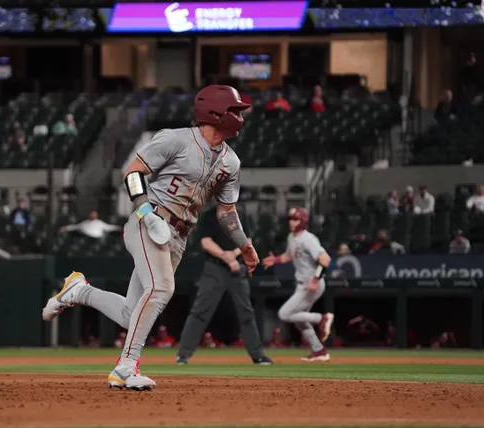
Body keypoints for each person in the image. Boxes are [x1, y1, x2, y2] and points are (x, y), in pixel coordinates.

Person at [41, 85, 259, 390]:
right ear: (215, 112)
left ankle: (78, 292)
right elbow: (132, 171)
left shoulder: (230, 162)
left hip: (180, 235)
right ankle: (125, 367)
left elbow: (226, 211)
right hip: (150, 221)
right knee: (161, 289)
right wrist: (144, 210)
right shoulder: (175, 138)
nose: (240, 116)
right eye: (235, 110)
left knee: (133, 313)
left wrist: (244, 244)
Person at [175, 205, 273, 366]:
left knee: (246, 312)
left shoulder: (241, 214)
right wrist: (224, 256)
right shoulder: (209, 215)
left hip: (237, 267)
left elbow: (247, 240)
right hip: (214, 268)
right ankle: (183, 355)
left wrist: (233, 255)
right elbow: (206, 242)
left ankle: (258, 355)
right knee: (200, 311)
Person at [261, 207, 334, 362]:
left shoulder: (308, 239)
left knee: (284, 314)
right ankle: (319, 350)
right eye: (291, 219)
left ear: (304, 221)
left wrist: (315, 280)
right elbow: (289, 255)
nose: (292, 222)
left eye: (296, 219)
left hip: (311, 284)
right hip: (303, 284)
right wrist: (275, 260)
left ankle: (322, 318)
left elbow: (325, 260)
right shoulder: (291, 237)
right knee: (299, 321)